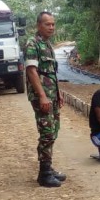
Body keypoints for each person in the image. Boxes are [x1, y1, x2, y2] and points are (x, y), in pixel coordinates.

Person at [25, 11, 66, 188]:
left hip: (51, 95)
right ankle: (44, 174)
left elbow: (51, 72)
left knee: (54, 129)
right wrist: (42, 95)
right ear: (38, 26)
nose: (51, 27)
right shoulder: (32, 43)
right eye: (47, 24)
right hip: (42, 96)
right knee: (47, 132)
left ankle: (49, 167)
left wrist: (58, 93)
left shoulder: (48, 44)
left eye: (53, 24)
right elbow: (32, 71)